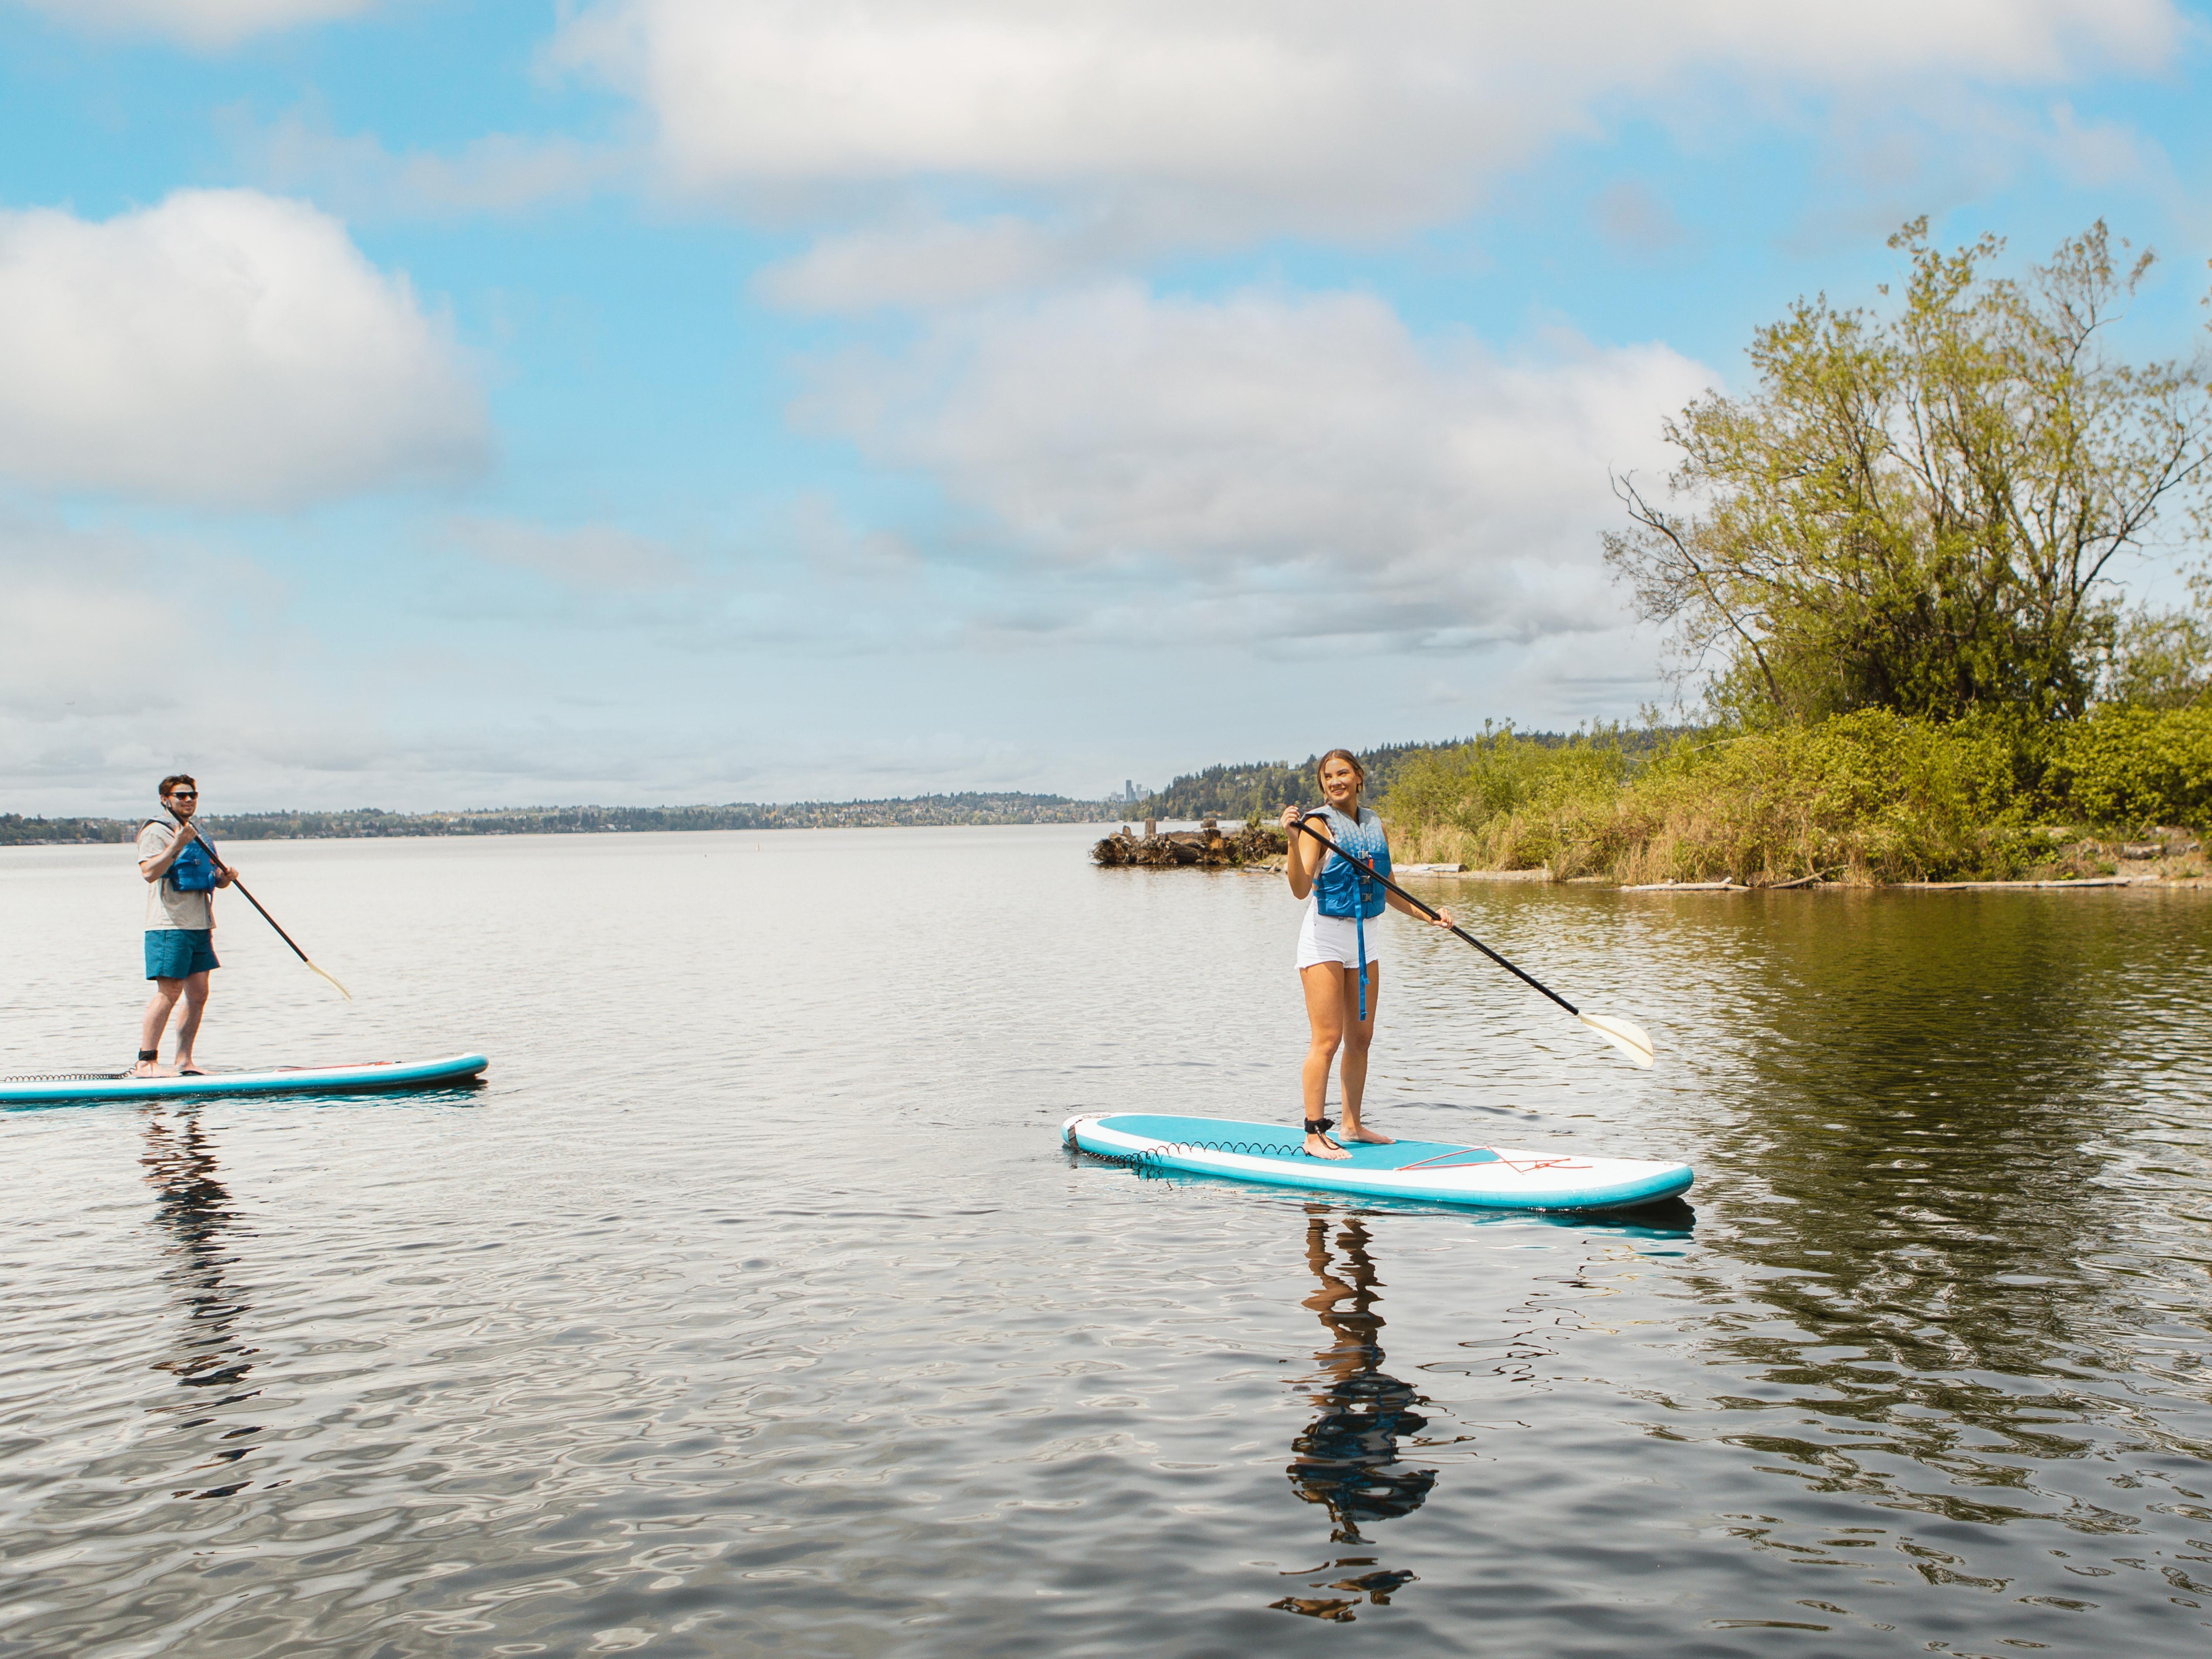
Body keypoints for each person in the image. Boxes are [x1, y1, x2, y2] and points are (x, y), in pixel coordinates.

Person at [1279, 750, 1452, 1159]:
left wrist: (1429, 915)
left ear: (1359, 777)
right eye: (1328, 777)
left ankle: (1352, 1126)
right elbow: (1301, 888)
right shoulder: (1316, 825)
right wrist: (1291, 839)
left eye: (1343, 774)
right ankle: (1313, 1133)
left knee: (1361, 1039)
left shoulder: (1374, 823)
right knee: (1328, 1039)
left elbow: (1388, 887)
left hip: (1365, 941)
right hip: (1325, 938)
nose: (1335, 782)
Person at [135, 775, 236, 1077]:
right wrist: (177, 845)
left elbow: (209, 876)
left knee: (199, 994)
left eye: (193, 795)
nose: (188, 800)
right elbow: (149, 873)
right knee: (169, 991)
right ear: (166, 799)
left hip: (200, 924)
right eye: (181, 796)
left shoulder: (199, 832)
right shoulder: (157, 831)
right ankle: (146, 1062)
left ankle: (184, 1061)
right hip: (169, 925)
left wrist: (224, 879)